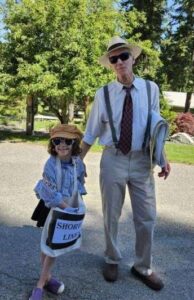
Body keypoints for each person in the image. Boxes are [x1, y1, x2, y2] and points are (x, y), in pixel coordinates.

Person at [80, 36, 171, 291]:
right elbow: (90, 133)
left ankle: (143, 266)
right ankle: (111, 258)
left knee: (147, 217)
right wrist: (76, 162)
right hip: (113, 159)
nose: (119, 62)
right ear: (110, 64)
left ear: (133, 58)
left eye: (123, 56)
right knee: (110, 214)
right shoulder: (103, 94)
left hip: (142, 161)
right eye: (114, 59)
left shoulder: (151, 89)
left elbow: (154, 127)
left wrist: (162, 157)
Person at [30, 124, 86, 300]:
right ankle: (41, 283)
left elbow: (79, 180)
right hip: (53, 206)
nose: (62, 145)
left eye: (67, 141)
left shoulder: (78, 162)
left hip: (69, 206)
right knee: (50, 245)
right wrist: (67, 209)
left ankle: (47, 278)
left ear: (74, 143)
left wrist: (77, 202)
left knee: (53, 246)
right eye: (57, 141)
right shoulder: (50, 165)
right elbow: (51, 194)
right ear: (52, 143)